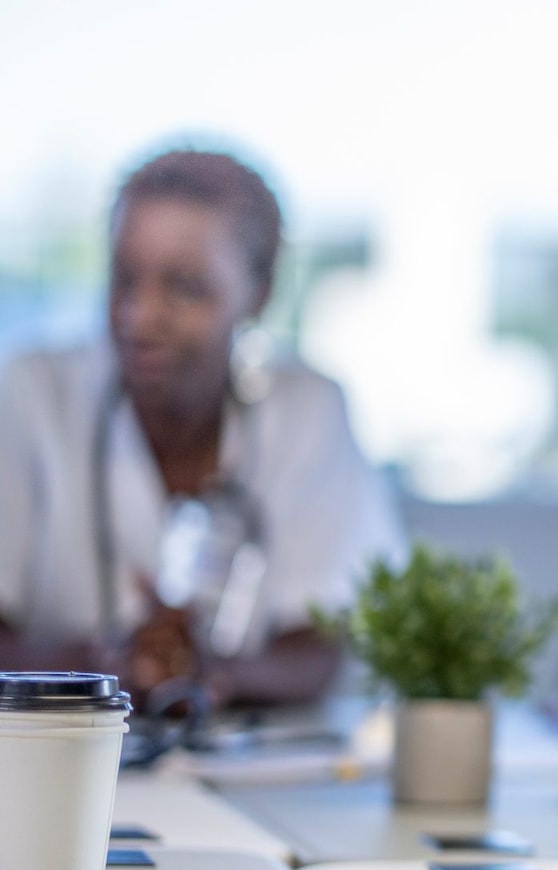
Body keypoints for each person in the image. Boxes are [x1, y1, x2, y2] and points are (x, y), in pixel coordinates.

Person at [0, 150, 402, 709]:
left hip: (247, 767)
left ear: (258, 294)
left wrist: (211, 674)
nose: (139, 317)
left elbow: (320, 648)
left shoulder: (308, 409)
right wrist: (101, 666)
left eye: (185, 287)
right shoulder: (32, 391)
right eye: (124, 278)